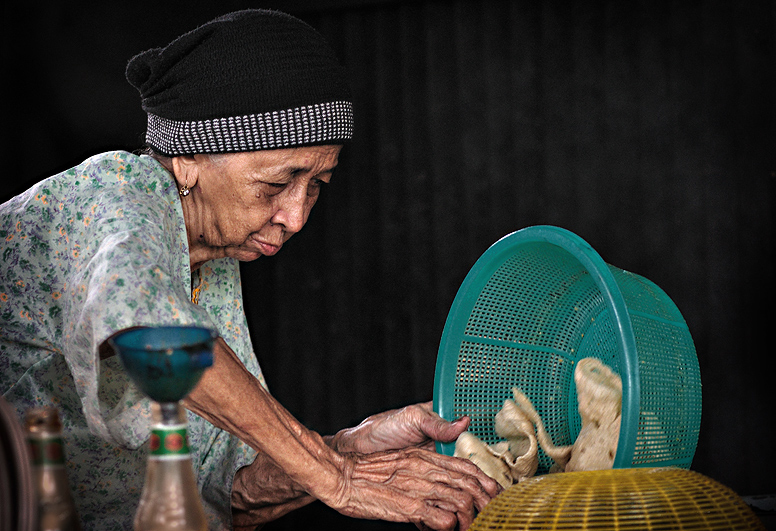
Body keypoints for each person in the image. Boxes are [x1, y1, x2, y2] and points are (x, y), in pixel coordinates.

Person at [0, 9, 500, 531]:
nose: (296, 217)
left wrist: (349, 451)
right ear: (190, 157)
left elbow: (226, 491)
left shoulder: (209, 261)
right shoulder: (116, 192)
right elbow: (152, 331)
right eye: (276, 184)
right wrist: (337, 478)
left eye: (317, 185)